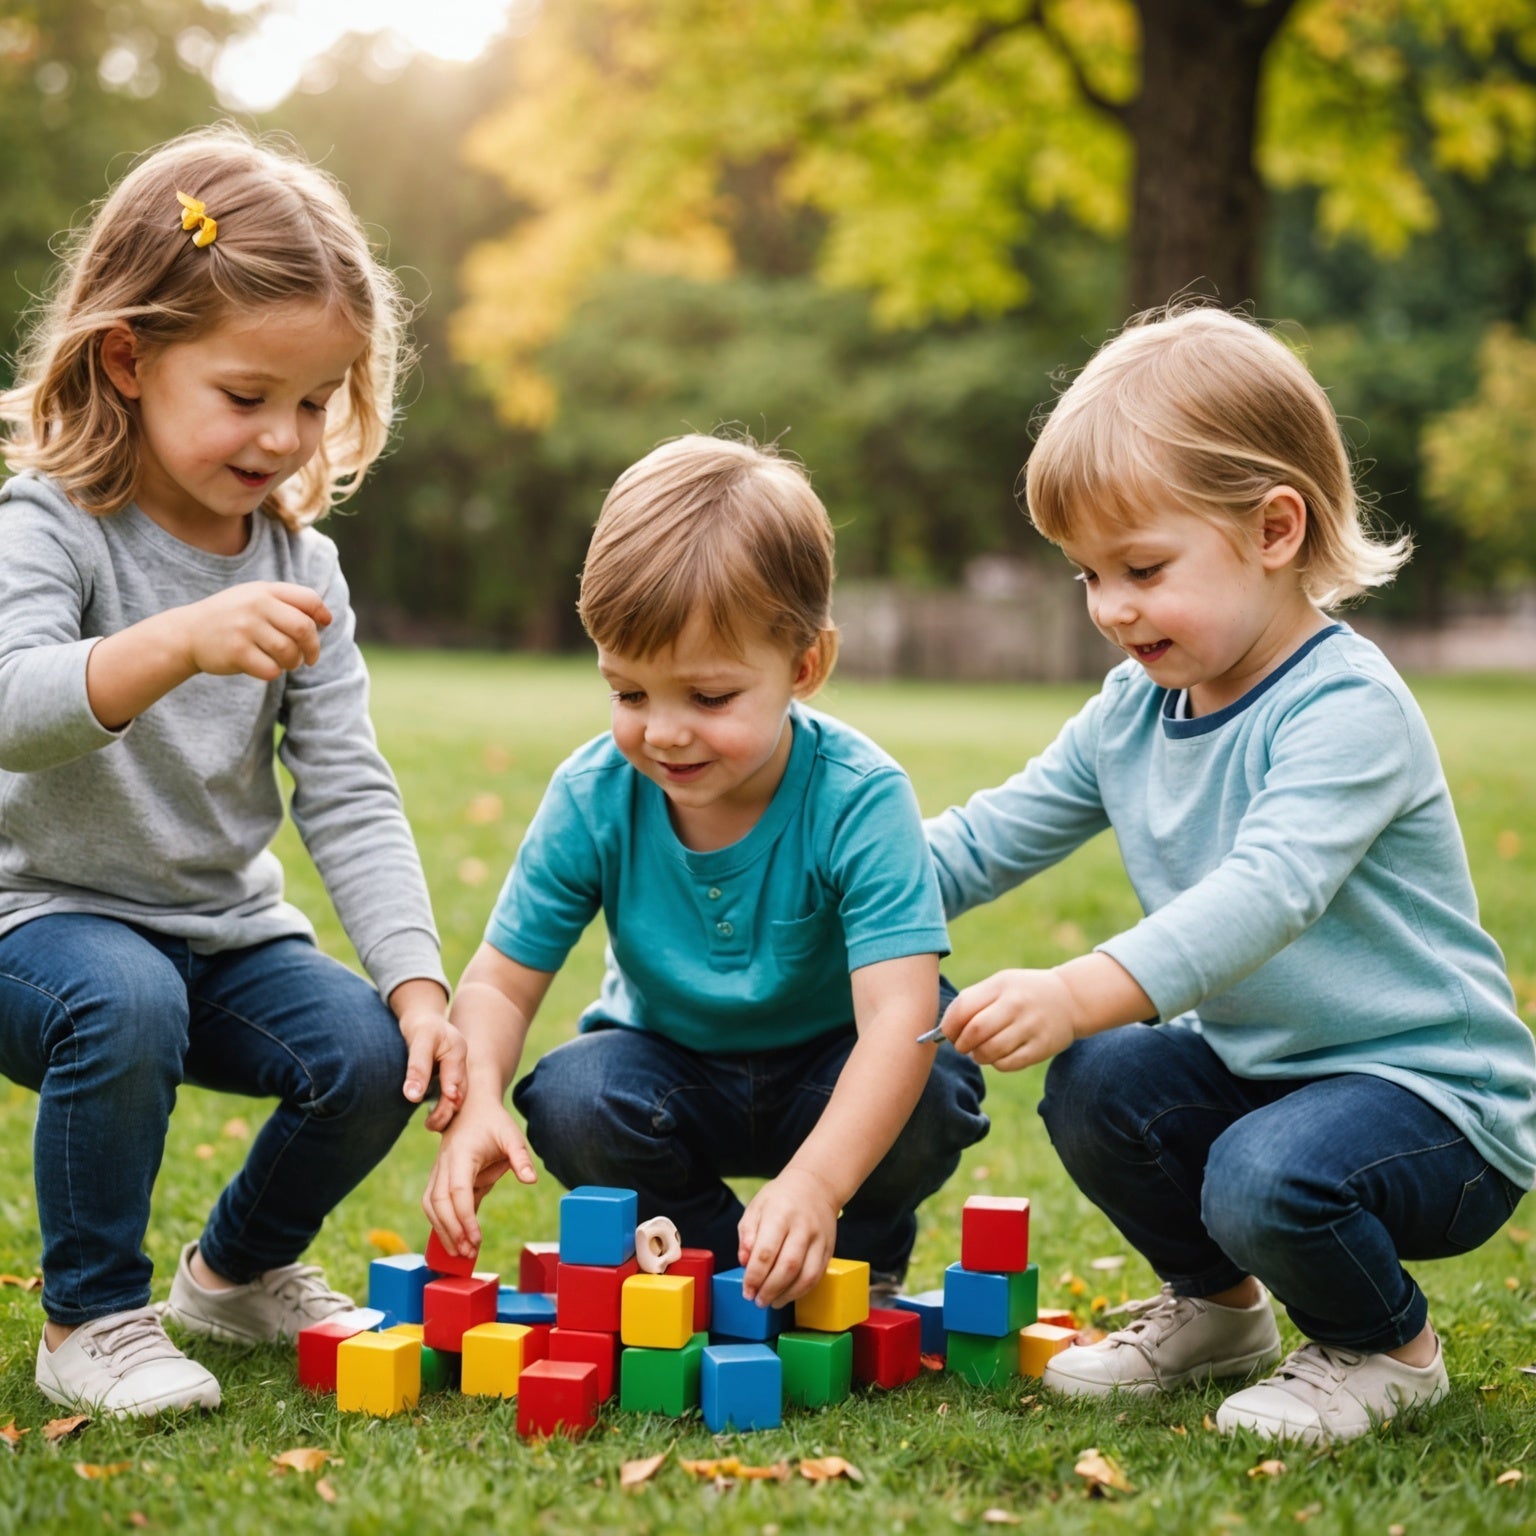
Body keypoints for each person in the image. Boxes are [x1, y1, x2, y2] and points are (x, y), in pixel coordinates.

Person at [925, 305, 1536, 1445]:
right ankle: (1219, 1312)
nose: (1110, 608)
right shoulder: (1134, 710)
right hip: (1273, 1074)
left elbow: (1267, 893)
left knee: (1261, 1173)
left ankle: (1386, 1349)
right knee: (1100, 1082)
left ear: (1273, 528)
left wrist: (1075, 987)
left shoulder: (1344, 708)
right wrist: (829, 879)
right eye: (1088, 576)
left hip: (1434, 1107)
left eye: (1142, 568)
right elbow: (992, 833)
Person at [0, 126, 466, 1417]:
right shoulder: (52, 524)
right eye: (249, 394)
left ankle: (237, 1273)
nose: (283, 436)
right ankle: (91, 1318)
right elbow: (8, 707)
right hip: (38, 924)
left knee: (369, 1053)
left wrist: (420, 983)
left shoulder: (301, 567)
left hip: (218, 931)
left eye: (315, 402)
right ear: (129, 359)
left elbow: (349, 786)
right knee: (125, 997)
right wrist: (168, 643)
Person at [422, 433, 988, 1308]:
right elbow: (500, 981)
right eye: (629, 693)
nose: (665, 731)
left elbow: (898, 1015)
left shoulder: (861, 796)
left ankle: (853, 1260)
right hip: (670, 1070)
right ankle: (722, 1270)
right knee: (574, 1096)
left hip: (831, 1067)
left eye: (710, 697)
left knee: (933, 1071)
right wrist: (479, 1101)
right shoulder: (593, 794)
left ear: (807, 667)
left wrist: (819, 1186)